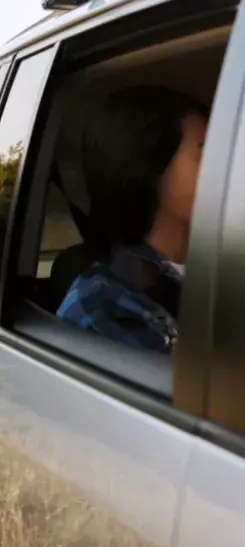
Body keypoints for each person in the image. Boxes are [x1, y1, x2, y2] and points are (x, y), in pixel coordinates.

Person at [57, 86, 207, 354]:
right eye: (205, 153)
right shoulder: (100, 306)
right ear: (148, 169)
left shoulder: (233, 261)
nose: (228, 164)